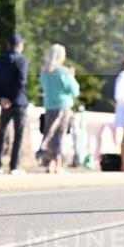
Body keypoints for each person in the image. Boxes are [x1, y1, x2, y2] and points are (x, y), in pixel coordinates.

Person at [37, 43, 80, 173]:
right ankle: (57, 164)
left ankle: (50, 163)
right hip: (63, 106)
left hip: (49, 105)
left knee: (49, 133)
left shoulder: (44, 71)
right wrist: (72, 76)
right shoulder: (63, 71)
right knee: (59, 135)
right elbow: (74, 90)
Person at [0, 33, 30, 175]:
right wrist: (12, 99)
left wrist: (1, 98)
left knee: (2, 134)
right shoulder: (21, 60)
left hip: (4, 103)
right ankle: (14, 166)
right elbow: (21, 82)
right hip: (18, 103)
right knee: (18, 135)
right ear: (19, 45)